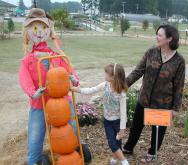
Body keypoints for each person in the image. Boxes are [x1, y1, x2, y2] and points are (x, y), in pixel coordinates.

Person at [18, 8, 79, 165]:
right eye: (35, 28)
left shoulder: (56, 56)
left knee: (71, 129)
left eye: (43, 27)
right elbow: (24, 78)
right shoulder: (28, 60)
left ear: (49, 29)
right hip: (40, 104)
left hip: (61, 102)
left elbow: (68, 70)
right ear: (28, 31)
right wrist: (32, 92)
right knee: (35, 138)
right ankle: (34, 161)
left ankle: (75, 154)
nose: (39, 32)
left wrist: (73, 79)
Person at [122, 25, 185, 163]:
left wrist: (175, 108)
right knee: (136, 127)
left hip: (162, 104)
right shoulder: (151, 52)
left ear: (169, 38)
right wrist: (124, 85)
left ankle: (152, 153)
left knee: (158, 132)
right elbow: (138, 71)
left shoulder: (179, 61)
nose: (157, 37)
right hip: (144, 99)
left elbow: (179, 85)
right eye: (157, 34)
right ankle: (128, 147)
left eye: (160, 35)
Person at [73, 63, 129, 165]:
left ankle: (124, 162)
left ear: (113, 77)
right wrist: (75, 89)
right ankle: (116, 159)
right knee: (114, 143)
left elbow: (123, 113)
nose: (104, 74)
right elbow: (90, 90)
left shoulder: (121, 93)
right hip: (107, 121)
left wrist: (122, 130)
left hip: (117, 122)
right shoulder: (105, 85)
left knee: (114, 143)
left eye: (106, 73)